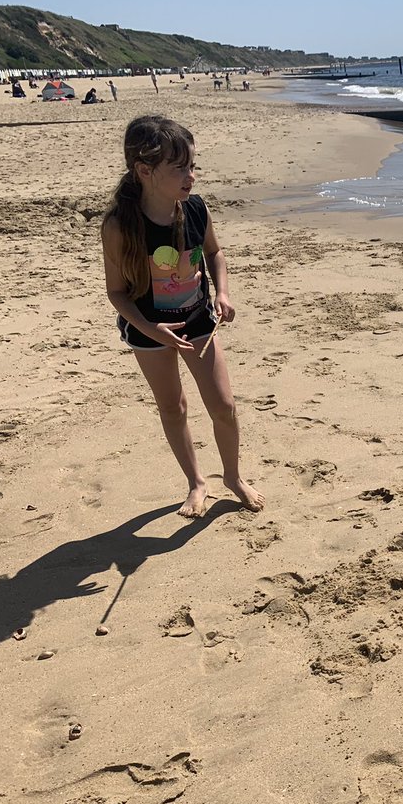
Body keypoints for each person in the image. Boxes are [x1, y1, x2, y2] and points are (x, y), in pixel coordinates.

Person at [101, 116, 264, 517]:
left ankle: (232, 476)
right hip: (148, 329)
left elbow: (214, 253)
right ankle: (196, 482)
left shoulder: (194, 208)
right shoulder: (120, 226)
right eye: (180, 168)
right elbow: (116, 293)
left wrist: (222, 293)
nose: (191, 176)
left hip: (198, 321)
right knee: (173, 408)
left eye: (193, 166)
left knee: (224, 406)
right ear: (144, 171)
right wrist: (148, 327)